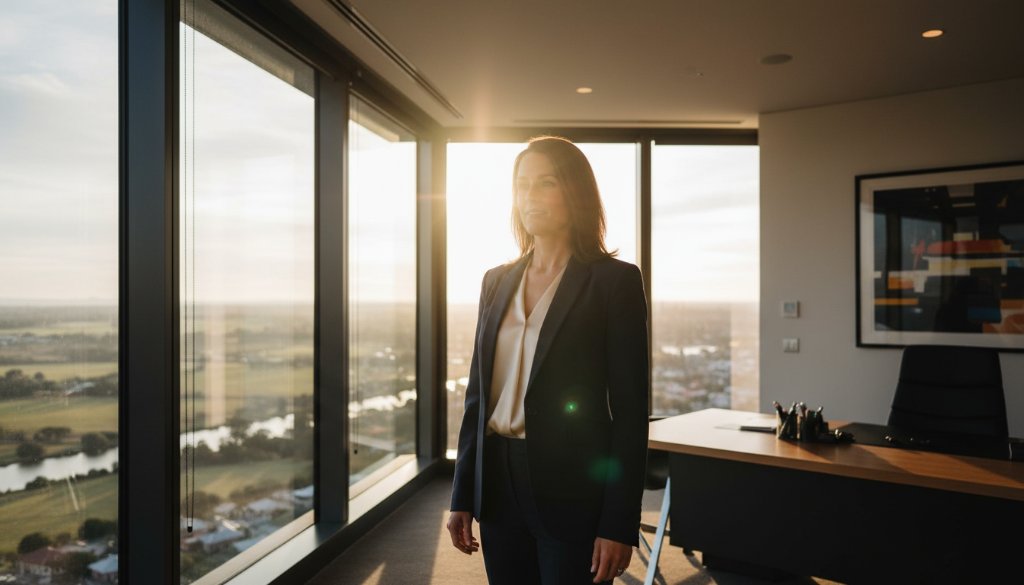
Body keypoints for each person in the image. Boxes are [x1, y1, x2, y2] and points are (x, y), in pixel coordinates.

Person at [447, 136, 650, 584]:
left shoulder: (613, 282)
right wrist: (463, 492)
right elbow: (477, 398)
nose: (530, 197)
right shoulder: (495, 281)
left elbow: (631, 413)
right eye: (522, 185)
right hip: (498, 484)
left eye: (546, 183)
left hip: (573, 488)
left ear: (574, 192)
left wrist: (618, 524)